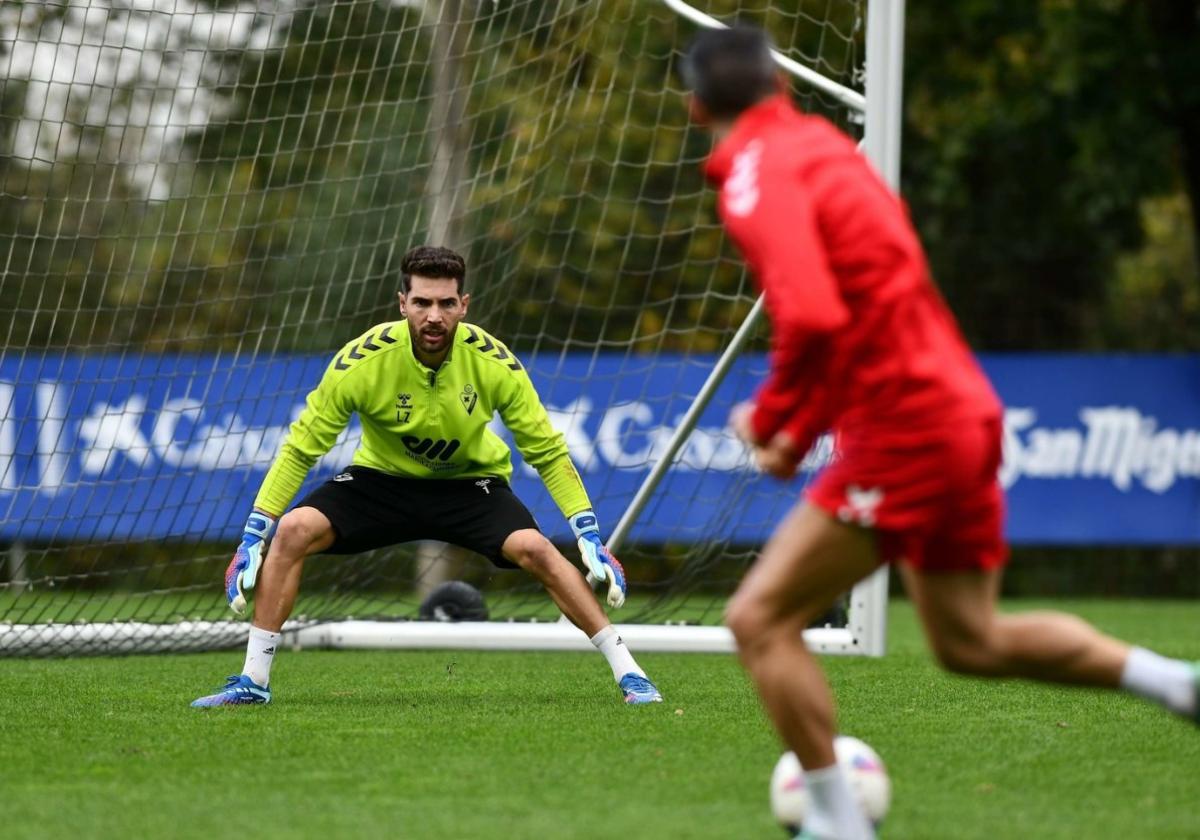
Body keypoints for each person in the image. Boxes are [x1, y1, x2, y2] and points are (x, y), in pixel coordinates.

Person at [681, 25, 1198, 840]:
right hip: (959, 411)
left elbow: (813, 315)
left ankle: (835, 823)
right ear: (781, 90)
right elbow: (853, 314)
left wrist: (775, 420)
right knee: (969, 640)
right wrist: (803, 425)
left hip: (908, 426)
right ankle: (1176, 683)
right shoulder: (824, 150)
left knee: (758, 620)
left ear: (696, 106)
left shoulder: (752, 172)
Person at [192, 245, 663, 707]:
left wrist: (587, 531)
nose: (433, 316)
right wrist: (256, 531)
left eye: (444, 303)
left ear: (463, 306)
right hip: (381, 481)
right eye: (421, 303)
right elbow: (301, 447)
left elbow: (545, 449)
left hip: (471, 485)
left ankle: (630, 673)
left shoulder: (494, 362)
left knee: (536, 548)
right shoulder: (362, 360)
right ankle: (253, 681)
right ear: (403, 304)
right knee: (293, 529)